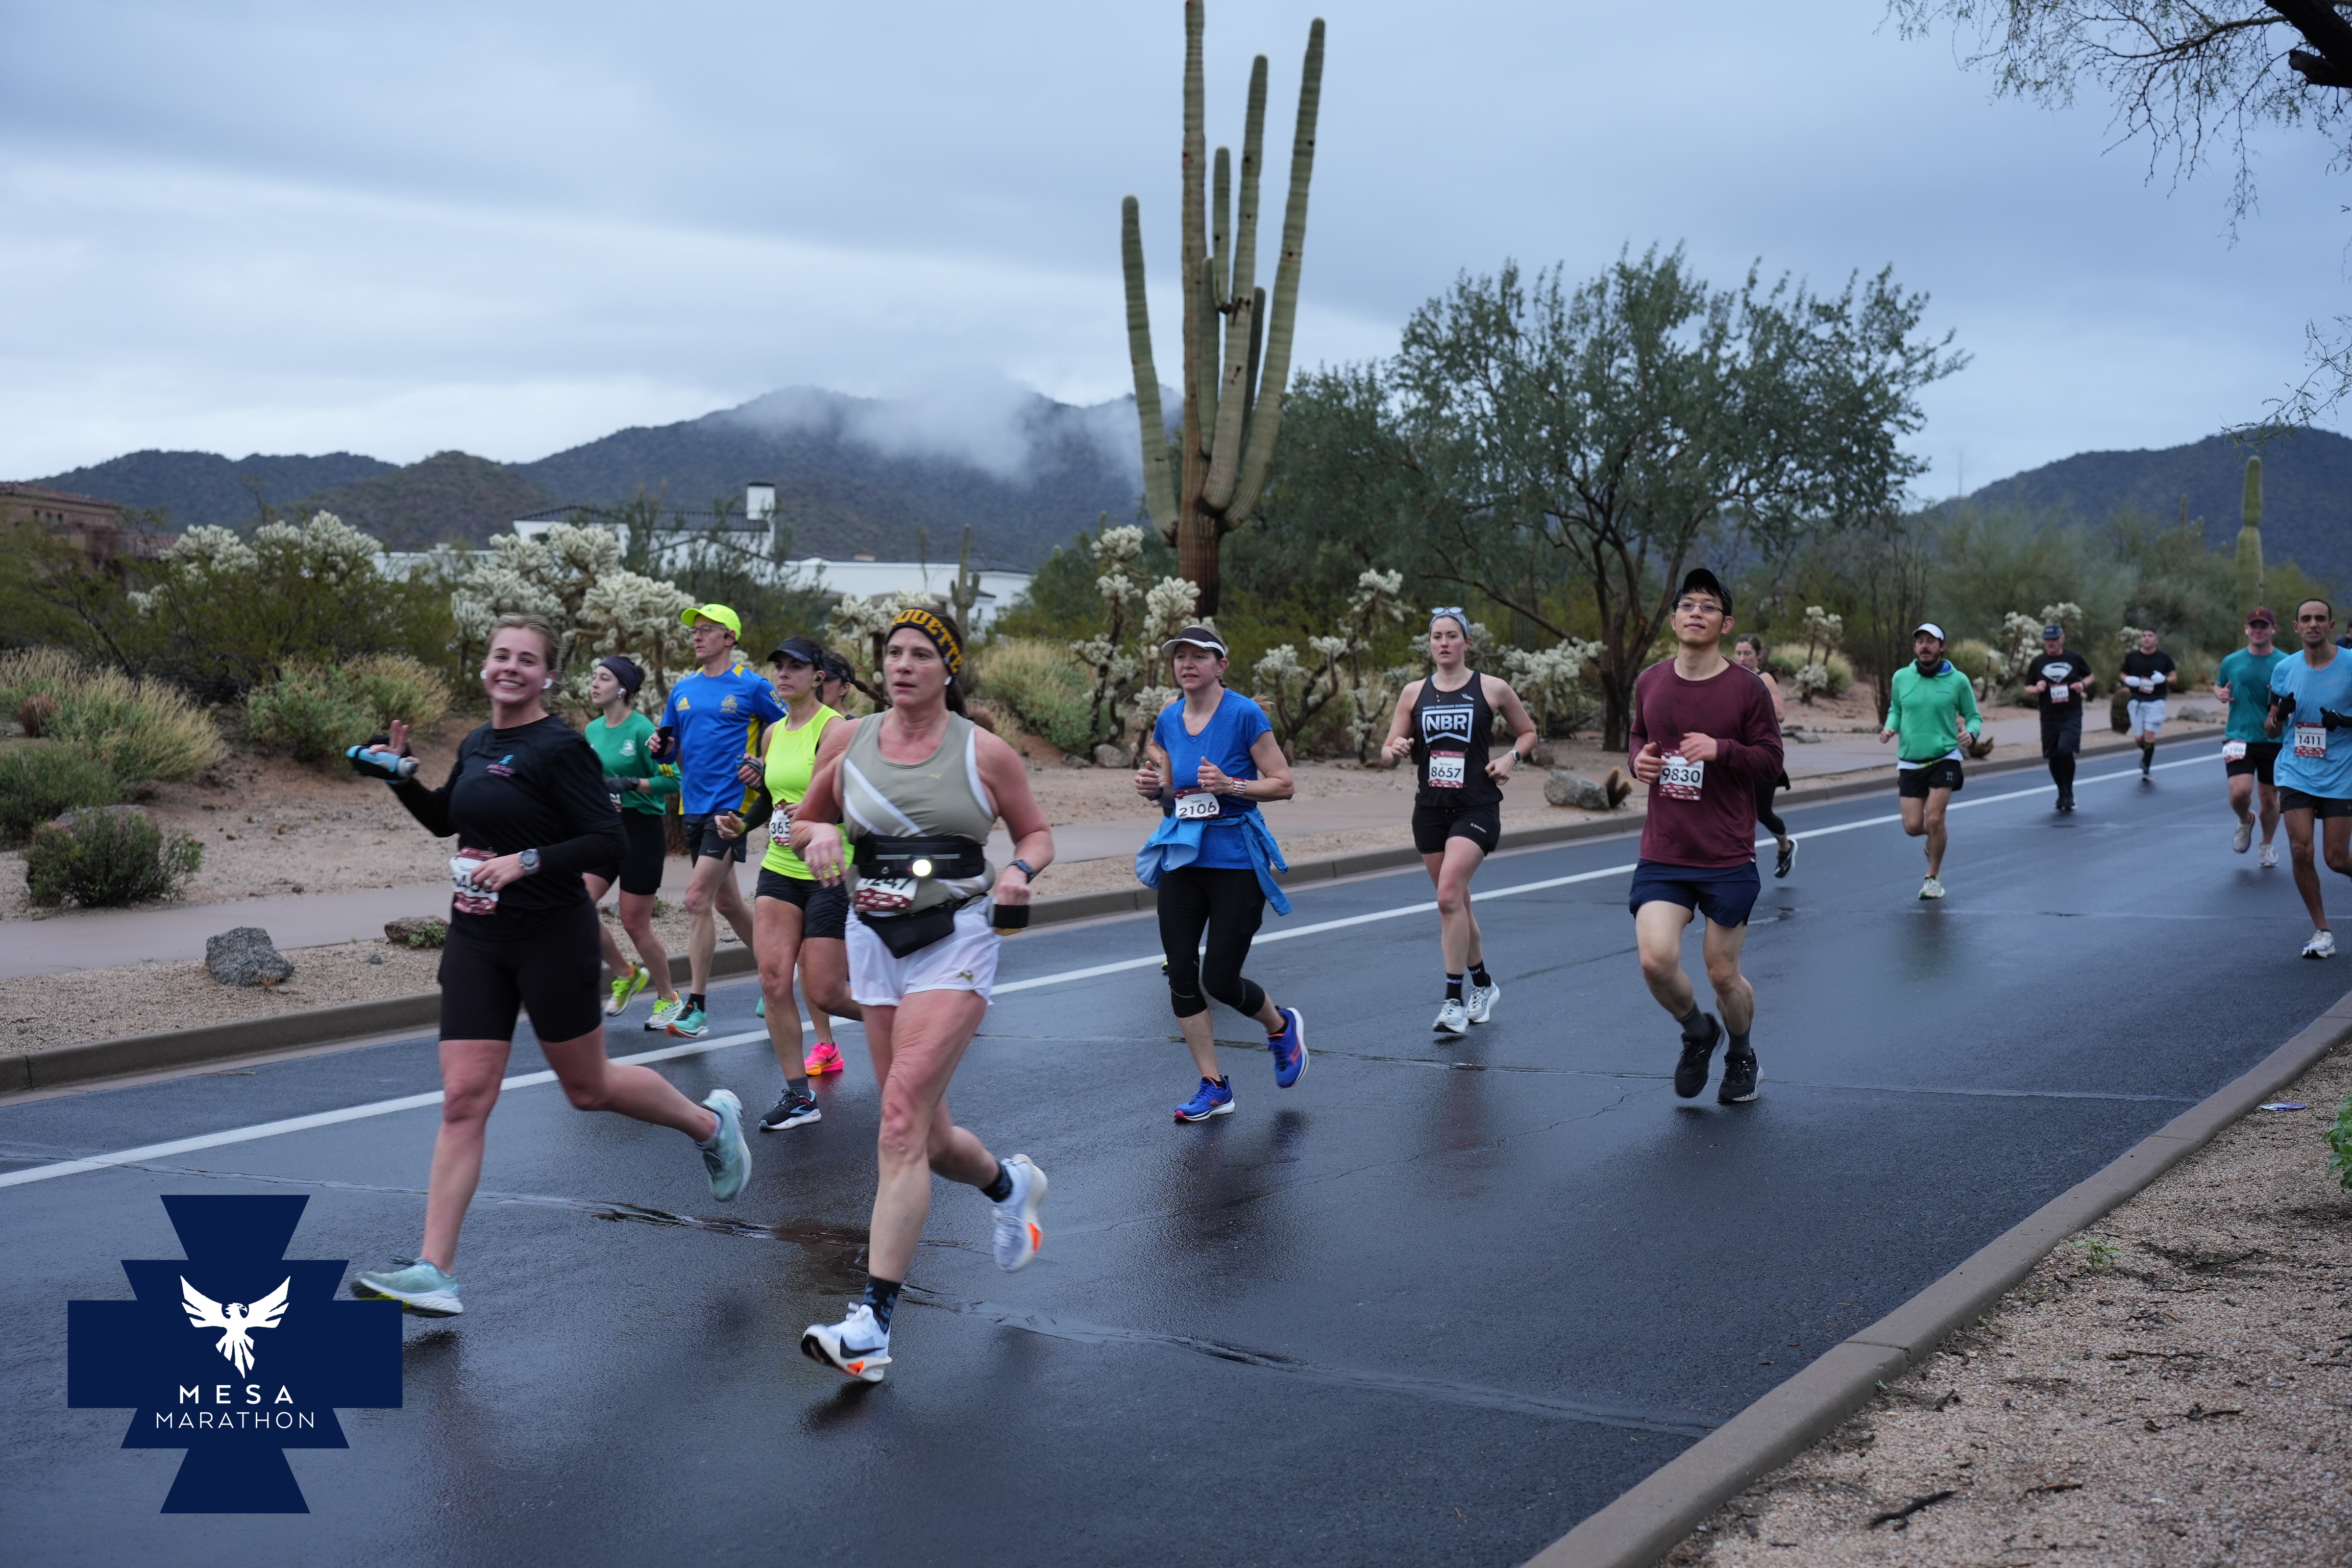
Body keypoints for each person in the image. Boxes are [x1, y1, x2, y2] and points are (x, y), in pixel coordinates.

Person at [344, 614, 751, 1317]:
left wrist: (527, 861)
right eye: (500, 655)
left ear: (547, 675)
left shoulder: (561, 747)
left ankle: (711, 1126)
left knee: (589, 1089)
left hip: (550, 937)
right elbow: (446, 820)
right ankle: (435, 1270)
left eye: (525, 659)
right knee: (463, 1098)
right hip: (477, 939)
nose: (510, 666)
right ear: (484, 667)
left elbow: (606, 841)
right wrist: (400, 777)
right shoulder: (478, 742)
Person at [790, 606, 1057, 1382]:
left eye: (919, 654)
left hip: (958, 939)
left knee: (899, 1121)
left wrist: (1019, 872)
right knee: (929, 1140)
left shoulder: (984, 751)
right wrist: (821, 834)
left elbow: (1037, 834)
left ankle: (871, 1325)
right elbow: (802, 822)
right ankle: (1009, 1185)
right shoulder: (849, 739)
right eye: (893, 653)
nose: (902, 665)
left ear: (948, 669)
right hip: (874, 940)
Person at [1134, 625, 1309, 1118]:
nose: (1187, 664)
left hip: (1235, 861)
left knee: (1222, 979)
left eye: (1199, 656)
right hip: (1183, 857)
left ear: (1221, 666)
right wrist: (1154, 789)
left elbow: (1283, 784)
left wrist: (1232, 785)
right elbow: (1174, 790)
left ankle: (1280, 1027)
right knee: (1181, 974)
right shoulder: (1169, 719)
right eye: (1180, 657)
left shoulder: (1245, 714)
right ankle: (1214, 1085)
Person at [1627, 569, 1782, 1106]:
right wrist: (1639, 762)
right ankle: (1698, 1031)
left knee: (1722, 974)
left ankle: (1741, 1052)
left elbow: (1772, 760)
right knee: (1655, 961)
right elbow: (1639, 735)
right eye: (1688, 605)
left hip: (1726, 855)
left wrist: (1723, 750)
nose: (1697, 612)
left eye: (1709, 606)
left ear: (1726, 624)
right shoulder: (1650, 681)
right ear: (1674, 620)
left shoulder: (1747, 689)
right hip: (1665, 851)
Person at [1378, 608, 1539, 1034]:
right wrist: (1395, 751)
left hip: (1476, 807)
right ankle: (1483, 984)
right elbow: (1387, 752)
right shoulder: (1414, 693)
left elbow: (1528, 733)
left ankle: (1453, 1001)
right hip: (1430, 810)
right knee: (1458, 904)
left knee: (1448, 895)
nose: (1444, 643)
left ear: (1467, 642)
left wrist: (1510, 757)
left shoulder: (1492, 688)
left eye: (1452, 636)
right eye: (1437, 636)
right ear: (1430, 643)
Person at [715, 636, 853, 1131]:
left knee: (826, 991)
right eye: (779, 666)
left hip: (827, 868)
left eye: (796, 666)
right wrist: (744, 824)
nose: (784, 674)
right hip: (780, 866)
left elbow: (853, 798)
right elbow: (775, 799)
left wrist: (820, 815)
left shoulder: (834, 729)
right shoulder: (773, 732)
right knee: (773, 981)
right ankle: (799, 1097)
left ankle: (904, 1024)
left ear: (818, 676)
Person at [652, 604, 785, 1039]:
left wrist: (762, 763)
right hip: (692, 807)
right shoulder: (682, 689)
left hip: (731, 810)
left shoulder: (753, 686)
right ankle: (775, 973)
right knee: (727, 904)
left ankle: (697, 1008)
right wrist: (660, 748)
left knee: (696, 900)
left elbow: (791, 732)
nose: (697, 636)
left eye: (707, 630)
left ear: (730, 638)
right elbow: (671, 747)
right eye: (695, 630)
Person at [579, 655, 681, 1023]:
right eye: (594, 676)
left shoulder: (643, 730)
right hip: (605, 828)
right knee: (576, 905)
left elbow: (673, 781)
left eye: (604, 678)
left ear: (622, 689)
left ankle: (669, 998)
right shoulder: (592, 730)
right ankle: (626, 973)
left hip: (642, 831)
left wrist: (632, 783)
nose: (595, 684)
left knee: (635, 922)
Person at [2266, 599, 2352, 959]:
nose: (2313, 624)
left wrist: (2346, 722)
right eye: (2306, 619)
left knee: (2336, 859)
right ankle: (2322, 931)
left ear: (2331, 626)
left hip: (2342, 772)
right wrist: (2279, 716)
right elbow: (2270, 730)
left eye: (2320, 618)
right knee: (2301, 849)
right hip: (2296, 770)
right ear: (2296, 627)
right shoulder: (2284, 669)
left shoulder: (2350, 665)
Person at [1880, 621, 1983, 900]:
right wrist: (1890, 728)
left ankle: (1933, 878)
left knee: (1935, 817)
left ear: (1942, 646)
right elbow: (1896, 710)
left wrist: (1972, 733)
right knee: (1913, 826)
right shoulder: (1902, 677)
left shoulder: (1957, 681)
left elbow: (1974, 716)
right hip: (1911, 759)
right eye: (1920, 641)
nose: (1924, 646)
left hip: (1944, 757)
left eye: (1930, 641)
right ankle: (1936, 837)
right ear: (1915, 647)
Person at [2216, 608, 2286, 867]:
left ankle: (2266, 846)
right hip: (2238, 736)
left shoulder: (2285, 663)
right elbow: (2219, 685)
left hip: (2274, 739)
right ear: (2246, 630)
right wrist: (2220, 694)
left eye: (2263, 626)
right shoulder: (2231, 661)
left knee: (2269, 798)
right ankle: (2246, 820)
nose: (2258, 631)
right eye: (2253, 626)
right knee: (2239, 792)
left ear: (2273, 630)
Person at [1730, 634, 1797, 877]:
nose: (1742, 659)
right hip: (1739, 756)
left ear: (1759, 655)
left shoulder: (1764, 679)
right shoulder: (1732, 678)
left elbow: (1780, 714)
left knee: (1762, 812)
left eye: (1747, 653)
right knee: (1733, 809)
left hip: (1763, 756)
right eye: (1738, 653)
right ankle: (1735, 861)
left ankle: (1785, 846)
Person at [2021, 624, 2095, 814]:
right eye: (2047, 640)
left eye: (2054, 639)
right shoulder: (2038, 662)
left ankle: (2069, 790)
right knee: (2053, 755)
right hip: (2049, 716)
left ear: (2062, 639)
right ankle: (2061, 791)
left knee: (2065, 749)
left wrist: (2083, 685)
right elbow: (2027, 688)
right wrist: (2037, 688)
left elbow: (2090, 676)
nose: (2050, 643)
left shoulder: (2074, 658)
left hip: (2071, 714)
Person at [2120, 626, 2178, 780]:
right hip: (2137, 701)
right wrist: (2127, 679)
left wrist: (2164, 679)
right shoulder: (2132, 657)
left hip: (2156, 701)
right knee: (2139, 739)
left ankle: (2146, 766)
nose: (2146, 638)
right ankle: (2148, 753)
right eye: (2144, 636)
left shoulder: (2164, 658)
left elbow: (2174, 677)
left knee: (2149, 734)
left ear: (2156, 640)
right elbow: (2123, 673)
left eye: (2150, 636)